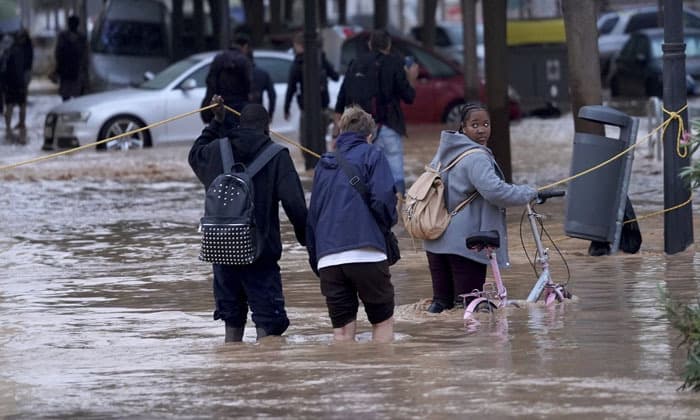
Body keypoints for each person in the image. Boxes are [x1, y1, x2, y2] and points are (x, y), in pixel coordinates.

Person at [188, 98, 308, 342]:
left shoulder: (215, 151)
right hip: (260, 255)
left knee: (231, 321)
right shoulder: (277, 156)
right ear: (267, 128)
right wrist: (307, 239)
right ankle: (263, 375)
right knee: (269, 327)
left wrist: (216, 123)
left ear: (240, 124)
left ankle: (233, 373)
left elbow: (194, 154)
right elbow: (295, 204)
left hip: (222, 253)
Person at [423, 103, 537, 313]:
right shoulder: (476, 157)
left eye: (486, 124)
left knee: (441, 308)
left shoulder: (443, 153)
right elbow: (496, 192)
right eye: (474, 125)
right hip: (465, 245)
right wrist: (528, 193)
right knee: (470, 309)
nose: (482, 129)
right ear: (463, 128)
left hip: (435, 241)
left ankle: (435, 345)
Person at [306, 106, 398, 343]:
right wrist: (386, 229)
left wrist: (317, 259)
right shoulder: (373, 155)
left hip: (329, 259)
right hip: (367, 253)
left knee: (342, 332)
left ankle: (346, 377)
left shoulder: (324, 164)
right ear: (370, 135)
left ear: (340, 131)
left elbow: (313, 215)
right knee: (382, 321)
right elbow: (384, 201)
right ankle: (384, 376)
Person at [334, 29, 418, 196]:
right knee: (395, 171)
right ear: (388, 45)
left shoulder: (355, 63)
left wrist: (336, 131)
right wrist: (411, 78)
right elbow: (408, 97)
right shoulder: (394, 63)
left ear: (370, 44)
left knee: (362, 171)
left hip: (358, 129)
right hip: (388, 124)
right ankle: (397, 213)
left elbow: (341, 98)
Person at [284, 31, 340, 169]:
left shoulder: (298, 63)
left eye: (295, 45)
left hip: (308, 110)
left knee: (306, 140)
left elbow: (291, 87)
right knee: (320, 139)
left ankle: (312, 166)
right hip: (322, 107)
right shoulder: (320, 59)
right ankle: (323, 165)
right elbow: (335, 76)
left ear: (300, 46)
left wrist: (287, 107)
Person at [200, 31, 252, 126]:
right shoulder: (244, 60)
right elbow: (249, 84)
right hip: (239, 106)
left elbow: (211, 82)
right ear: (245, 46)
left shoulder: (218, 58)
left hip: (221, 105)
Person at [2, 29, 33, 143]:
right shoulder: (21, 51)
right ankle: (18, 125)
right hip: (18, 83)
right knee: (19, 105)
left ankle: (10, 127)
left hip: (11, 84)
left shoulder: (9, 51)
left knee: (11, 105)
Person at [53, 15, 89, 102]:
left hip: (65, 71)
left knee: (66, 97)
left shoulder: (63, 37)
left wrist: (58, 68)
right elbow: (85, 55)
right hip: (77, 71)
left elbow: (58, 53)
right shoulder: (82, 38)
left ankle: (67, 113)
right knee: (78, 97)